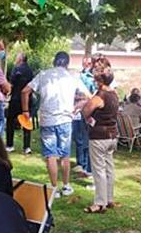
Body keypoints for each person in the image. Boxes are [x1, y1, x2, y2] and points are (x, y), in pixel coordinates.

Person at [21, 51, 90, 197]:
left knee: (50, 155)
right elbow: (88, 96)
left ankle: (54, 188)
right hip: (65, 119)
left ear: (54, 61)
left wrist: (26, 111)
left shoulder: (43, 74)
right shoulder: (72, 76)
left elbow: (25, 91)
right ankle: (66, 185)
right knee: (64, 155)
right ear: (67, 63)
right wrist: (78, 105)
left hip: (47, 120)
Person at [80, 56, 119, 213]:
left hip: (99, 136)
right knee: (109, 168)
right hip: (112, 135)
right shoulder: (114, 94)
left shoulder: (100, 96)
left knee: (99, 170)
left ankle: (99, 203)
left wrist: (86, 111)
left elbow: (86, 111)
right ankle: (109, 199)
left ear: (99, 81)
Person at [5, 53, 34, 154]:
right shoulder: (30, 70)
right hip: (28, 99)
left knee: (10, 121)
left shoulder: (16, 69)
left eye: (17, 57)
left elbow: (12, 83)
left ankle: (9, 145)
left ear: (21, 58)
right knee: (26, 122)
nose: (16, 58)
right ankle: (27, 147)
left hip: (16, 99)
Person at [72, 56, 96, 176]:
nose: (86, 65)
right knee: (78, 138)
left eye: (88, 63)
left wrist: (82, 98)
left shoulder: (92, 78)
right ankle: (80, 163)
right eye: (84, 63)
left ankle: (84, 164)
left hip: (86, 111)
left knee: (85, 138)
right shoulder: (78, 76)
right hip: (76, 111)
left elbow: (92, 96)